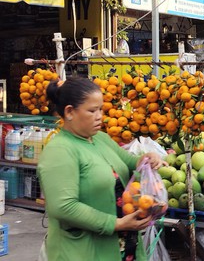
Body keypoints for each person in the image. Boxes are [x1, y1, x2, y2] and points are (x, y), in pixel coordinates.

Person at [38, 77, 167, 261]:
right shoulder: (60, 150)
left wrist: (147, 159)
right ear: (69, 112)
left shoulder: (100, 139)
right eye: (92, 111)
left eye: (101, 109)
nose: (100, 116)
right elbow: (63, 207)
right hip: (84, 251)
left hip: (123, 245)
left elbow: (130, 163)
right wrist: (116, 223)